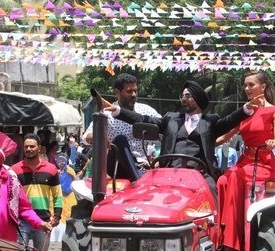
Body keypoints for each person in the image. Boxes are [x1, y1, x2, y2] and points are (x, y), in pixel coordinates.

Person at [103, 80, 263, 201]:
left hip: (199, 173)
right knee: (144, 190)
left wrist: (246, 109)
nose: (183, 99)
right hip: (168, 171)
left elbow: (229, 121)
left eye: (187, 95)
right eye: (182, 96)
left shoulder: (210, 121)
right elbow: (143, 118)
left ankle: (215, 234)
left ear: (197, 99)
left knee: (212, 189)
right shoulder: (170, 119)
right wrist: (118, 111)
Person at [215, 71, 275, 251]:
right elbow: (225, 136)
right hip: (244, 161)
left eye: (251, 85)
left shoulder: (274, 111)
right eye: (245, 85)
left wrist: (273, 142)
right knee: (221, 181)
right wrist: (202, 141)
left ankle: (232, 241)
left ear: (263, 87)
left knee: (236, 176)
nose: (246, 89)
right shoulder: (246, 111)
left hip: (263, 162)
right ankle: (219, 234)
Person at [11, 133, 62, 251]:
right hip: (21, 221)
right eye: (26, 147)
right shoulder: (15, 170)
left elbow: (57, 195)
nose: (29, 149)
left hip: (44, 221)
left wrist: (57, 215)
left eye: (32, 146)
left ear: (39, 148)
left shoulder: (51, 169)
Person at [89, 73, 161, 181]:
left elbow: (165, 128)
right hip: (116, 167)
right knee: (119, 140)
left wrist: (161, 160)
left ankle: (137, 175)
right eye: (129, 91)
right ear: (117, 93)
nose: (134, 95)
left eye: (135, 91)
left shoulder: (146, 111)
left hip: (143, 166)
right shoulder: (106, 114)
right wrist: (100, 139)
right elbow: (86, 137)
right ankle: (137, 180)